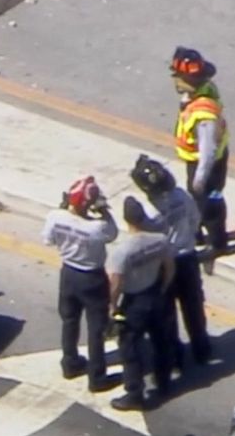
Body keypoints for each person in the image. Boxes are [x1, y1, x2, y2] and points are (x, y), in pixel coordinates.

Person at [130, 154, 213, 366]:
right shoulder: (181, 196)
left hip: (163, 265)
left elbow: (144, 240)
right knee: (193, 306)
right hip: (187, 258)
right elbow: (195, 220)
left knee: (167, 312)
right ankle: (201, 348)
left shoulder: (148, 212)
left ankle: (176, 355)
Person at [41, 176, 118, 392]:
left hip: (68, 273)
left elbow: (47, 240)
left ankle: (70, 362)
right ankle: (97, 376)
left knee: (69, 320)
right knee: (96, 329)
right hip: (92, 277)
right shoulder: (97, 228)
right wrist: (104, 211)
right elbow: (113, 232)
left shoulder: (55, 218)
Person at [106, 197, 176, 411]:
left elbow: (115, 284)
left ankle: (135, 393)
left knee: (130, 348)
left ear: (126, 220)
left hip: (134, 301)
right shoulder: (159, 240)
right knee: (160, 341)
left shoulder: (122, 251)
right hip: (155, 294)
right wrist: (162, 289)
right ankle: (163, 381)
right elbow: (170, 267)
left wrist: (113, 307)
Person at [170, 47, 230, 254]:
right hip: (196, 161)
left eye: (178, 76)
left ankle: (217, 243)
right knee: (196, 201)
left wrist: (201, 177)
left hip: (208, 165)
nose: (175, 80)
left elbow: (208, 150)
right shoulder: (200, 92)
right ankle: (196, 233)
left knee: (210, 203)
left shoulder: (204, 114)